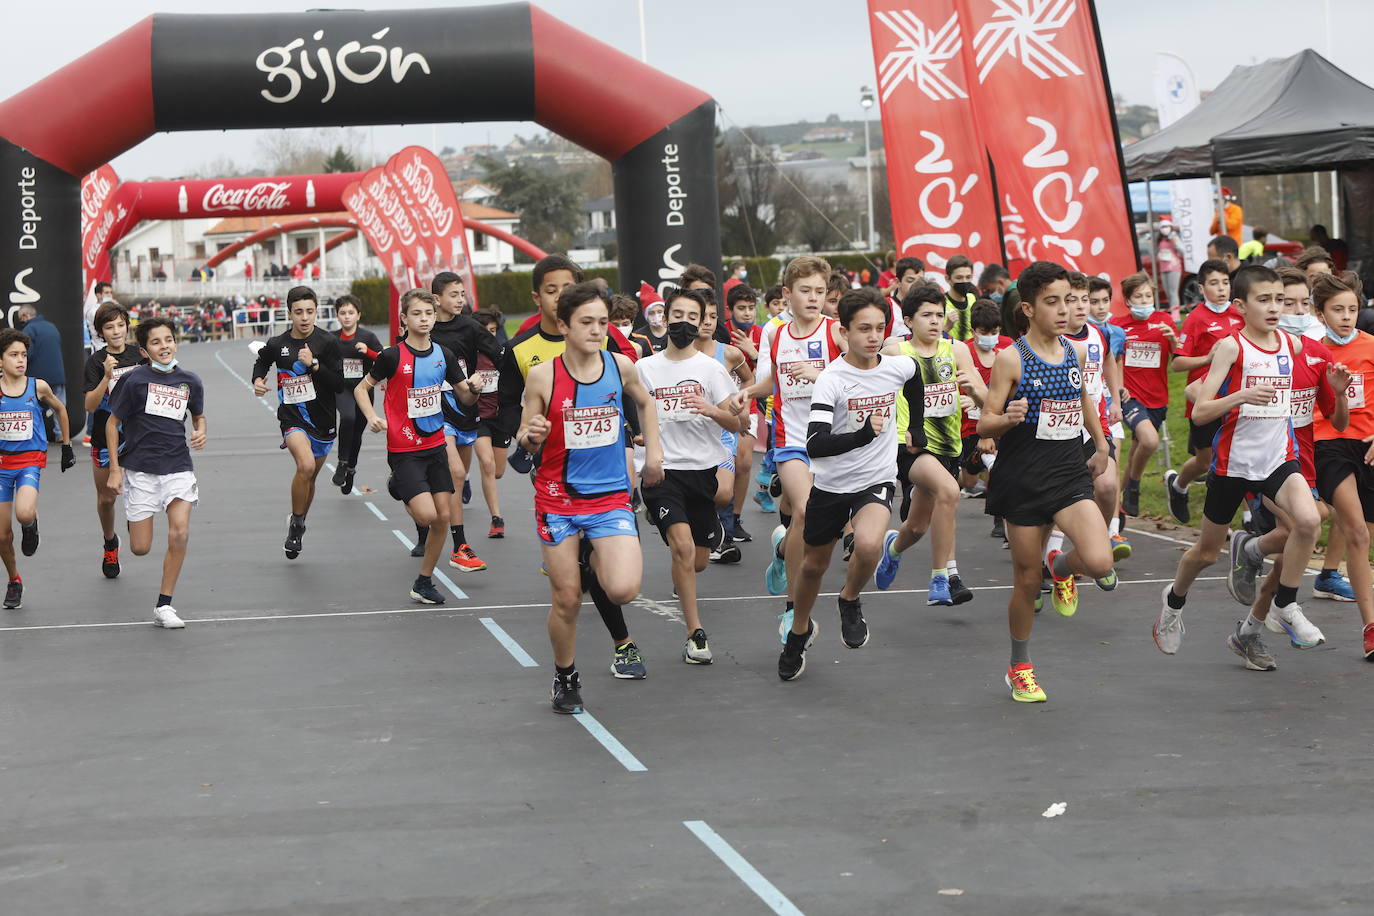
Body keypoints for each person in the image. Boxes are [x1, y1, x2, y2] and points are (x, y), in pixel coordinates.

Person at [1152, 266, 1323, 664]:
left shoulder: (1291, 345)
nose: (1275, 307)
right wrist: (1242, 395)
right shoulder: (1232, 347)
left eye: (1279, 299)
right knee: (1207, 553)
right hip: (1234, 464)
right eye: (1265, 300)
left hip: (1279, 457)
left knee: (1309, 521)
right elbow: (1200, 410)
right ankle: (1173, 604)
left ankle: (1286, 604)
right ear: (1240, 306)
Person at [497, 256, 649, 680]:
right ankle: (565, 676)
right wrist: (534, 433)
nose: (598, 330)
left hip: (609, 494)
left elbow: (643, 399)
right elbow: (525, 436)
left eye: (603, 322)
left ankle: (598, 557)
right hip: (558, 497)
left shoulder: (619, 363)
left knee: (623, 588)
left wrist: (649, 452)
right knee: (566, 599)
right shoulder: (541, 374)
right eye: (587, 322)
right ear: (564, 326)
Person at [978, 261, 1114, 702]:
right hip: (1023, 479)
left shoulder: (1073, 352)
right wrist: (1005, 418)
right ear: (1029, 308)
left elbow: (1083, 398)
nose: (1063, 310)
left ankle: (1062, 568)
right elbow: (983, 423)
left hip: (1068, 472)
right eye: (1051, 302)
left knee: (1099, 561)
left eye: (1068, 301)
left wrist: (1100, 444)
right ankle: (1020, 665)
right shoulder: (1011, 358)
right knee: (1025, 582)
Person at [779, 288, 922, 680]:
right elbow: (815, 445)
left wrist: (917, 431)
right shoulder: (831, 380)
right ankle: (799, 631)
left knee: (870, 543)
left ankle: (850, 598)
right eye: (863, 329)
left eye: (879, 328)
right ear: (844, 332)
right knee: (812, 567)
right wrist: (862, 434)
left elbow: (915, 380)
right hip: (830, 483)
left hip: (874, 480)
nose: (873, 336)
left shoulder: (897, 366)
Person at [740, 256, 846, 635]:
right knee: (804, 509)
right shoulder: (776, 334)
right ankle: (791, 610)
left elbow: (856, 377)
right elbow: (771, 384)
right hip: (791, 440)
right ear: (787, 295)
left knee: (818, 525)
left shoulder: (836, 332)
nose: (814, 298)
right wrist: (746, 391)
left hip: (832, 441)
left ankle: (783, 552)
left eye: (820, 291)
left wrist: (821, 375)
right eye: (806, 291)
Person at [637, 287, 743, 662]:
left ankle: (706, 530)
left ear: (702, 324)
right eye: (677, 315)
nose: (684, 323)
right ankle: (695, 634)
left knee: (697, 559)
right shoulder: (644, 369)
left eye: (692, 317)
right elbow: (627, 413)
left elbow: (740, 423)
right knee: (681, 548)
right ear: (664, 320)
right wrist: (639, 439)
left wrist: (711, 410)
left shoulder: (711, 369)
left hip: (703, 470)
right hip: (662, 472)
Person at [356, 289, 481, 606]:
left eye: (428, 313)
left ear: (434, 316)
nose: (424, 319)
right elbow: (362, 388)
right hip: (404, 448)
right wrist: (372, 416)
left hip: (436, 444)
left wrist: (474, 390)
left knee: (442, 519)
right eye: (417, 314)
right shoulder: (392, 356)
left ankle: (423, 582)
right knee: (427, 516)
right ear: (404, 318)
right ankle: (398, 482)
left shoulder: (444, 355)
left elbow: (464, 397)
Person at [874, 282, 983, 604]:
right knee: (950, 492)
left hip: (950, 447)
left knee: (918, 527)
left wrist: (973, 394)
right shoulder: (896, 351)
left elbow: (987, 399)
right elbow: (861, 372)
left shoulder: (957, 351)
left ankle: (893, 548)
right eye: (926, 315)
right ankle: (943, 578)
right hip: (909, 446)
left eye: (939, 314)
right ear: (908, 320)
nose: (935, 321)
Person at [103, 317, 203, 628]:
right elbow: (111, 423)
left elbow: (199, 417)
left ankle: (164, 605)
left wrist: (201, 431)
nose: (164, 346)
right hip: (141, 471)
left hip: (177, 467)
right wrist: (115, 471)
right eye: (156, 342)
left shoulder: (190, 381)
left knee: (180, 532)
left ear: (176, 342)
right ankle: (132, 527)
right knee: (140, 548)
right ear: (145, 350)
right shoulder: (133, 381)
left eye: (169, 340)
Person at [415, 271, 502, 572]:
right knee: (454, 473)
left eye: (463, 294)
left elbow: (500, 353)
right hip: (435, 414)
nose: (461, 299)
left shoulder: (470, 327)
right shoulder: (423, 328)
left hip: (466, 408)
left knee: (456, 477)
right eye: (454, 294)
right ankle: (460, 545)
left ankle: (426, 503)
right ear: (437, 298)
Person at [1307, 272, 1374, 658]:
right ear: (1320, 314)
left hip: (1368, 443)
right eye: (1338, 310)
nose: (1347, 317)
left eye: (1352, 309)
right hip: (1330, 444)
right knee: (1357, 533)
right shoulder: (1314, 354)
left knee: (1369, 535)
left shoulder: (1370, 346)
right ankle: (1370, 627)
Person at [251, 285, 344, 559]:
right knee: (303, 466)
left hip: (323, 420)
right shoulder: (278, 344)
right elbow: (262, 361)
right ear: (289, 313)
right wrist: (257, 380)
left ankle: (298, 517)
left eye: (310, 312)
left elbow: (339, 384)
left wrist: (314, 364)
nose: (304, 317)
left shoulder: (327, 342)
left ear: (317, 312)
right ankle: (297, 525)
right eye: (299, 312)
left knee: (310, 476)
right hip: (292, 418)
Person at [1163, 259, 1240, 523]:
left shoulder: (1240, 314)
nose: (1221, 288)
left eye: (1226, 282)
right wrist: (1208, 359)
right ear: (1201, 287)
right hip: (1202, 399)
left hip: (1233, 398)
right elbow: (1177, 363)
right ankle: (1178, 485)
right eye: (1214, 283)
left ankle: (1249, 517)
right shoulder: (1197, 318)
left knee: (1235, 457)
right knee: (1204, 462)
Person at [83, 302, 144, 578]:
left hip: (138, 435)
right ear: (100, 332)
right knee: (106, 499)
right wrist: (107, 376)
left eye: (120, 325)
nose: (116, 331)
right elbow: (90, 405)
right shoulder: (95, 362)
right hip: (104, 438)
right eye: (109, 327)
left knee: (138, 487)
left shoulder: (140, 356)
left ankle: (135, 517)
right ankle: (110, 542)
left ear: (127, 326)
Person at [695, 295, 753, 562]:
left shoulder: (729, 353)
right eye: (701, 316)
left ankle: (724, 536)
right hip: (690, 434)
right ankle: (709, 532)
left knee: (722, 492)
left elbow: (749, 380)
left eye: (712, 317)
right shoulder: (681, 355)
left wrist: (742, 406)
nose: (707, 322)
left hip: (723, 430)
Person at [1114, 273, 1177, 518]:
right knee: (1149, 440)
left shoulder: (1164, 322)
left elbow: (1178, 362)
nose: (1144, 301)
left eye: (1148, 296)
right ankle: (1134, 486)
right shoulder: (1119, 327)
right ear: (1128, 301)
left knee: (1137, 449)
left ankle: (1115, 505)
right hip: (1131, 397)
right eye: (1138, 297)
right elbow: (1111, 361)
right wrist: (1118, 387)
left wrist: (1173, 341)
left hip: (1158, 398)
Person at [330, 294, 382, 495]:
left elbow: (384, 358)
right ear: (337, 316)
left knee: (357, 433)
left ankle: (350, 469)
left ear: (358, 315)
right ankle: (342, 462)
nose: (347, 317)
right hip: (342, 388)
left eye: (351, 313)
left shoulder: (368, 337)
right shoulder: (332, 338)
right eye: (342, 313)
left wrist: (368, 351)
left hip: (364, 389)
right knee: (348, 418)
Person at [469, 308, 508, 537]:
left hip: (499, 417)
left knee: (498, 471)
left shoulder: (502, 354)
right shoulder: (468, 354)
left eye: (493, 331)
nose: (489, 337)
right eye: (484, 332)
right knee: (487, 463)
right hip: (477, 417)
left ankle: (464, 479)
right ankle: (497, 519)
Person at [15, 304, 66, 442]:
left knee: (34, 406)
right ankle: (61, 433)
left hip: (38, 377)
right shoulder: (51, 326)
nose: (21, 321)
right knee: (59, 405)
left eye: (21, 318)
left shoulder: (28, 329)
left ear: (25, 316)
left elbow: (27, 354)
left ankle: (32, 434)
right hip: (57, 374)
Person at [1154, 219, 1184, 318]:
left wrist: (1175, 241)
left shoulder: (1174, 237)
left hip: (1174, 268)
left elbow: (1182, 250)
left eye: (1167, 227)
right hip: (1163, 268)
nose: (1165, 229)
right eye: (1163, 227)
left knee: (1173, 292)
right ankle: (1172, 312)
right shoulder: (1159, 239)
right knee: (1167, 293)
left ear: (1171, 227)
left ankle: (1176, 316)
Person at [943, 254, 978, 341]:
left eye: (968, 277)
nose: (964, 281)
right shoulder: (940, 303)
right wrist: (947, 326)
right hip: (950, 351)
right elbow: (931, 337)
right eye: (959, 278)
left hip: (971, 351)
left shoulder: (972, 298)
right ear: (947, 279)